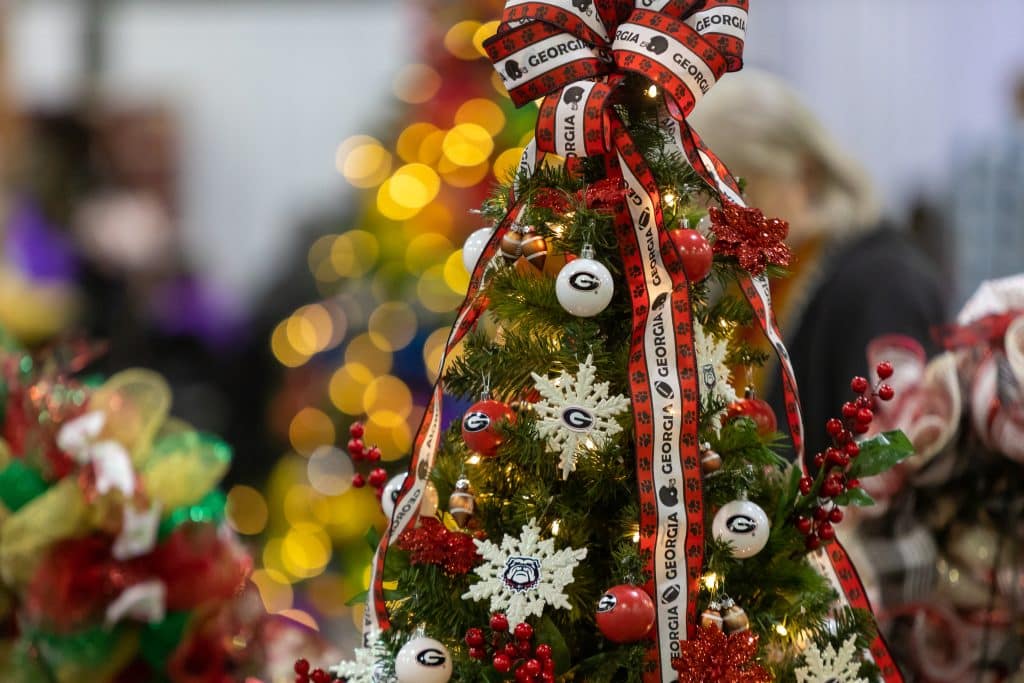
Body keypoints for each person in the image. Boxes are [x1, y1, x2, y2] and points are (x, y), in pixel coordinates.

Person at [689, 70, 948, 460]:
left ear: (807, 175)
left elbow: (887, 467)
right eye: (703, 196)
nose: (714, 217)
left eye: (735, 189)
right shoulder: (750, 282)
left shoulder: (884, 286)